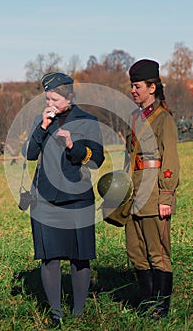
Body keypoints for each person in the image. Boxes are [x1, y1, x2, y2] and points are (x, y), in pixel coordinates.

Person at [25, 72, 105, 327]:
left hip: (77, 199)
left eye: (56, 99)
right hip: (46, 199)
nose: (51, 104)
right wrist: (44, 127)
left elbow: (97, 160)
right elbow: (29, 153)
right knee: (50, 257)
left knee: (80, 256)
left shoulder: (88, 121)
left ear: (69, 97)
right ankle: (56, 315)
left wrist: (73, 145)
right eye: (48, 99)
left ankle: (78, 314)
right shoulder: (42, 120)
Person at [124, 59, 180, 318]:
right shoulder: (134, 117)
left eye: (137, 86)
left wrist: (166, 195)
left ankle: (161, 308)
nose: (133, 90)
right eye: (132, 86)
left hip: (155, 196)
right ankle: (147, 303)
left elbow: (170, 161)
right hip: (134, 195)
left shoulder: (163, 119)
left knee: (157, 253)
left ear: (152, 87)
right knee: (136, 252)